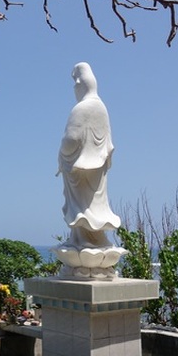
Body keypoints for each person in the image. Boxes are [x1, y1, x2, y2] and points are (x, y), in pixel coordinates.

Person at [57, 62, 120, 250]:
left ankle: (83, 240)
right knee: (92, 205)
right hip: (97, 169)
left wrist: (62, 153)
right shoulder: (102, 108)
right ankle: (95, 239)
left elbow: (71, 139)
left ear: (79, 83)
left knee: (82, 209)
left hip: (78, 169)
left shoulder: (82, 108)